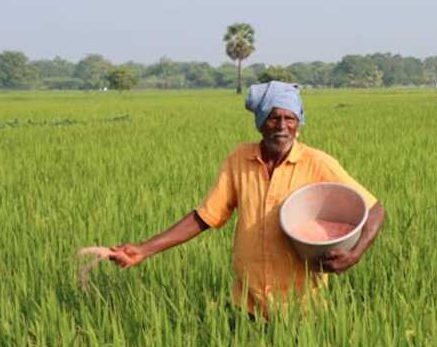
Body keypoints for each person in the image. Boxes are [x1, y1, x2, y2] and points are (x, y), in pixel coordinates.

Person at [109, 81, 385, 319]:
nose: (282, 126)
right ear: (260, 121)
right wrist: (144, 249)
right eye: (274, 118)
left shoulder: (317, 163)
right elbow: (205, 216)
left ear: (299, 122)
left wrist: (354, 255)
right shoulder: (239, 159)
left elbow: (374, 209)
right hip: (248, 303)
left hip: (302, 306)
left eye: (290, 118)